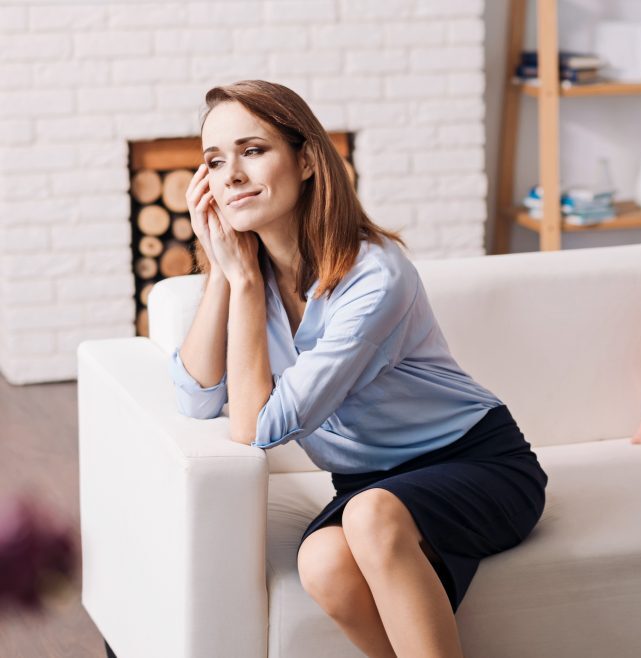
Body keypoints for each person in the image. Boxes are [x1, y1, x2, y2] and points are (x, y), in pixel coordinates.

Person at [167, 80, 548, 658]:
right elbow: (196, 399)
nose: (232, 176)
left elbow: (254, 428)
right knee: (321, 560)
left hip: (477, 462)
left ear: (307, 160)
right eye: (215, 161)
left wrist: (241, 283)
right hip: (370, 485)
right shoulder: (250, 272)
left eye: (253, 151)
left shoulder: (375, 277)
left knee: (370, 516)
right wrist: (226, 271)